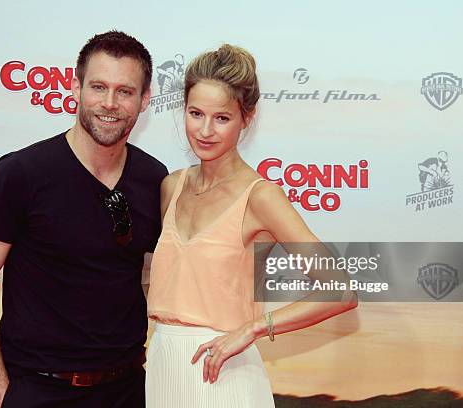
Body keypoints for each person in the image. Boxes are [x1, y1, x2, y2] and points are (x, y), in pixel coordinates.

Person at [0, 31, 167, 408]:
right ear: (75, 87)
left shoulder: (154, 178)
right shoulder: (21, 173)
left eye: (125, 91)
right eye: (98, 87)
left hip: (128, 390)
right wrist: (1, 394)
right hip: (37, 390)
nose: (110, 103)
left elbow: (149, 277)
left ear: (145, 99)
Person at [146, 44, 357, 407]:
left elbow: (340, 290)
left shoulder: (260, 197)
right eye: (195, 113)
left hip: (225, 376)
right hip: (162, 368)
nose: (205, 130)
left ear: (247, 117)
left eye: (222, 118)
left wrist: (254, 329)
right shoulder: (171, 186)